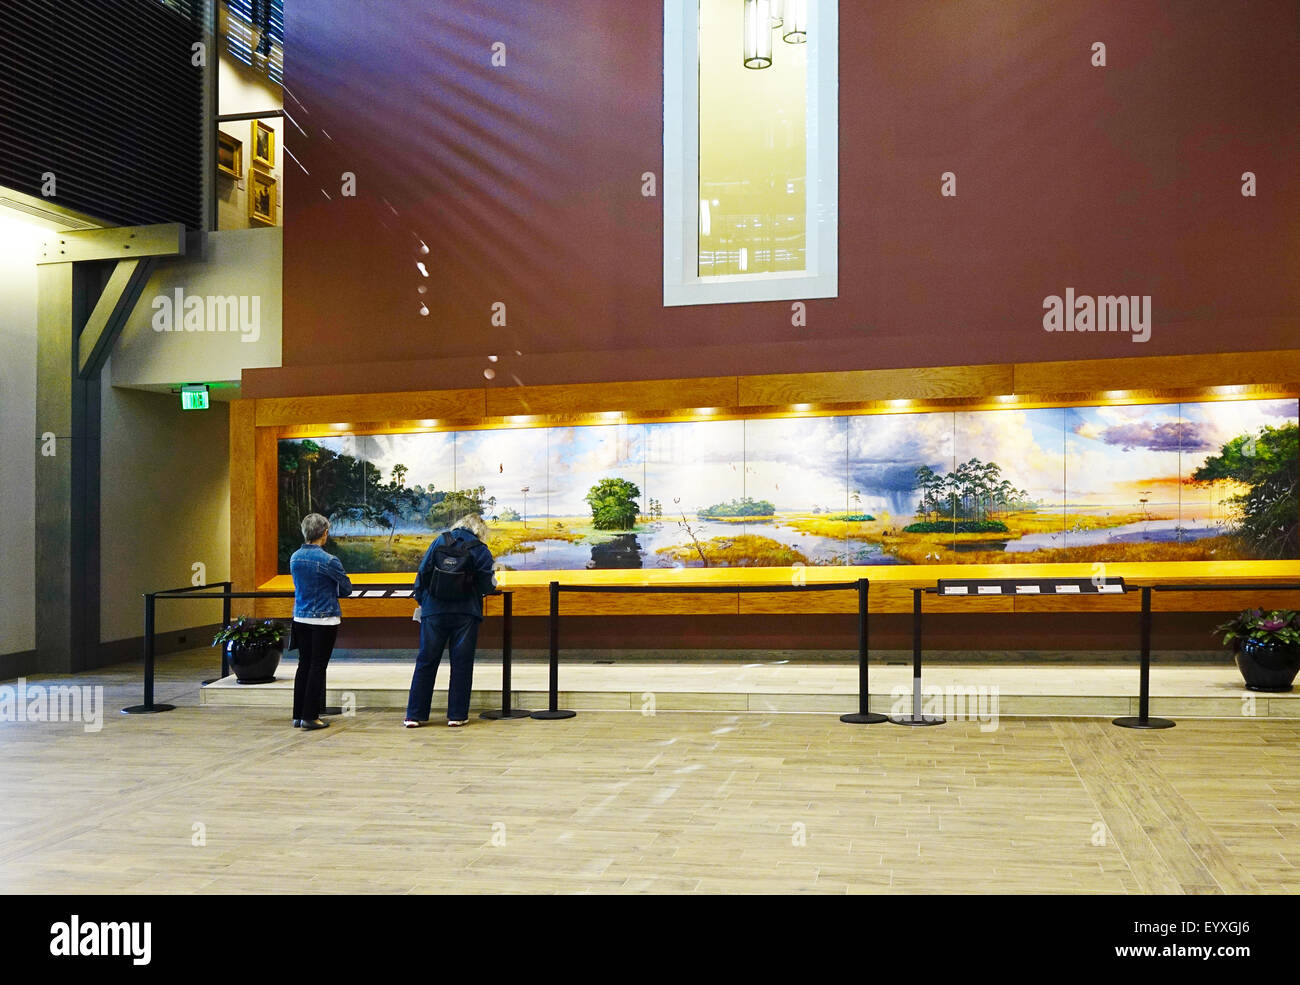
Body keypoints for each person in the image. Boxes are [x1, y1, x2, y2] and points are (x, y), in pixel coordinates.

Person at [404, 513, 497, 728]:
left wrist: (423, 601)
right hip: (466, 612)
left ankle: (414, 716)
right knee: (461, 664)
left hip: (434, 610)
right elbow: (487, 584)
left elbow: (423, 572)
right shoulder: (480, 549)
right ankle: (456, 715)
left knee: (426, 661)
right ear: (480, 530)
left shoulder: (440, 540)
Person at [289, 513, 352, 730]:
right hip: (324, 619)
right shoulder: (329, 560)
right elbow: (347, 588)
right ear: (324, 533)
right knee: (318, 666)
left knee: (304, 664)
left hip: (300, 616)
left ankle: (298, 714)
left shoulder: (295, 557)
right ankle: (310, 716)